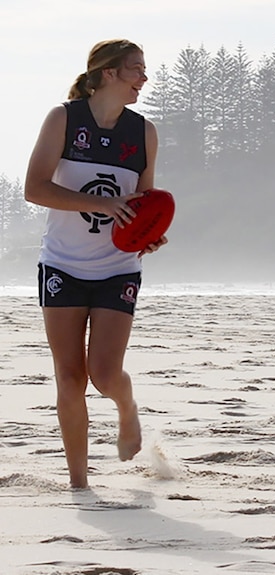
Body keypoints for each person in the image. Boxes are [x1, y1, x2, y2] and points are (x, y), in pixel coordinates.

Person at [24, 39, 166, 488]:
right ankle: (79, 483)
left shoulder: (143, 132)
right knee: (69, 374)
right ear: (108, 74)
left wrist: (150, 233)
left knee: (104, 373)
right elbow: (35, 188)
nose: (144, 78)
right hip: (62, 265)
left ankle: (127, 409)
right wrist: (101, 205)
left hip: (117, 267)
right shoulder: (64, 119)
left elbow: (142, 204)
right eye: (136, 69)